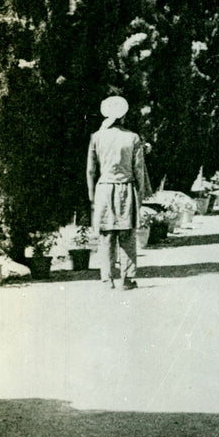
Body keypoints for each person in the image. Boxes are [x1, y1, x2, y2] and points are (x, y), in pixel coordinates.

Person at [87, 95, 150, 291]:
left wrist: (92, 196)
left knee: (105, 236)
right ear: (123, 116)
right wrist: (140, 195)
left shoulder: (96, 137)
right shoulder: (132, 138)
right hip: (126, 189)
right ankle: (128, 279)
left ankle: (106, 280)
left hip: (104, 189)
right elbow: (139, 169)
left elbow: (90, 170)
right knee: (127, 236)